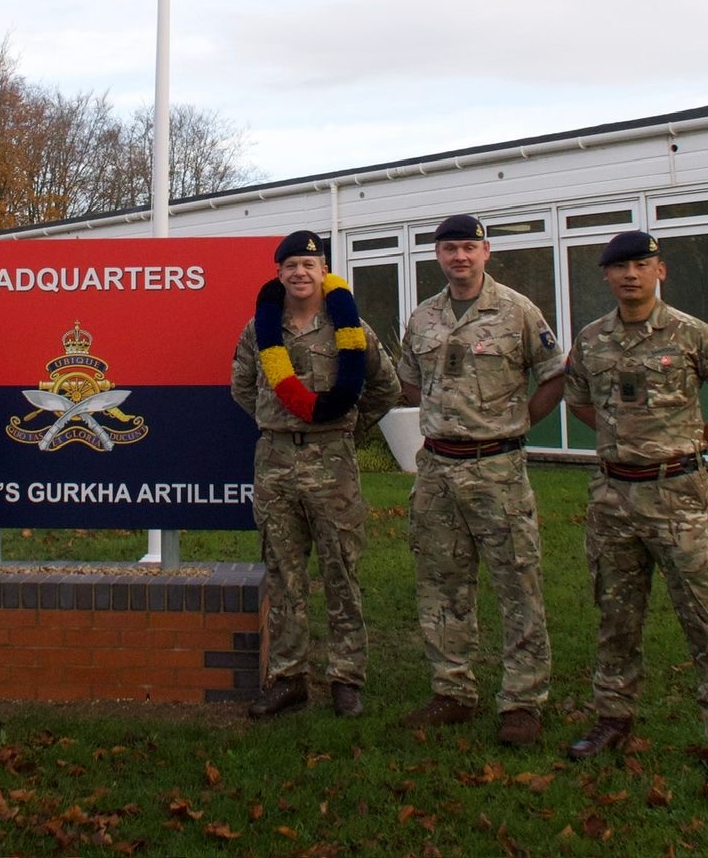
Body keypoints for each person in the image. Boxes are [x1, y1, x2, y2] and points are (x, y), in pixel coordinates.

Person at [556, 229, 708, 784]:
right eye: (619, 267)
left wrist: (696, 444)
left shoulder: (692, 334)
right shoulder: (592, 339)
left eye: (640, 266)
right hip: (614, 498)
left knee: (703, 616)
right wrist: (621, 444)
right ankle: (612, 718)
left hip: (678, 497)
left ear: (659, 271)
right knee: (615, 616)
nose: (629, 275)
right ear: (606, 277)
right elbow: (576, 401)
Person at [396, 213, 565, 746]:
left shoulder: (517, 311)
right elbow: (407, 386)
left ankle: (523, 701)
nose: (459, 257)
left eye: (469, 247)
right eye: (449, 249)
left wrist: (513, 426)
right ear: (438, 257)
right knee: (441, 585)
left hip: (499, 471)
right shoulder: (422, 319)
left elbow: (554, 375)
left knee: (517, 584)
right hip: (438, 471)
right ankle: (452, 690)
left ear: (486, 251)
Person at [230, 230, 401, 719]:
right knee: (284, 574)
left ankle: (346, 678)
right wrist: (279, 424)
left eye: (309, 263)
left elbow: (384, 388)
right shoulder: (259, 329)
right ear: (279, 273)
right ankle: (288, 677)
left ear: (322, 268)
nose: (300, 273)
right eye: (291, 266)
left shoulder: (350, 327)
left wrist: (342, 426)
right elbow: (242, 385)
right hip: (276, 465)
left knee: (341, 570)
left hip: (334, 465)